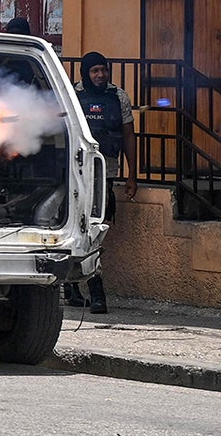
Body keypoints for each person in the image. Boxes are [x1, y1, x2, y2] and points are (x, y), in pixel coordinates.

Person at [69, 51, 138, 314]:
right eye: (95, 71)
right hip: (76, 174)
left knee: (97, 229)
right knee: (77, 228)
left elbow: (128, 136)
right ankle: (81, 289)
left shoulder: (118, 96)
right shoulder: (73, 95)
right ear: (86, 73)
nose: (100, 75)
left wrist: (132, 174)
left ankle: (89, 287)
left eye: (103, 70)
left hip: (105, 173)